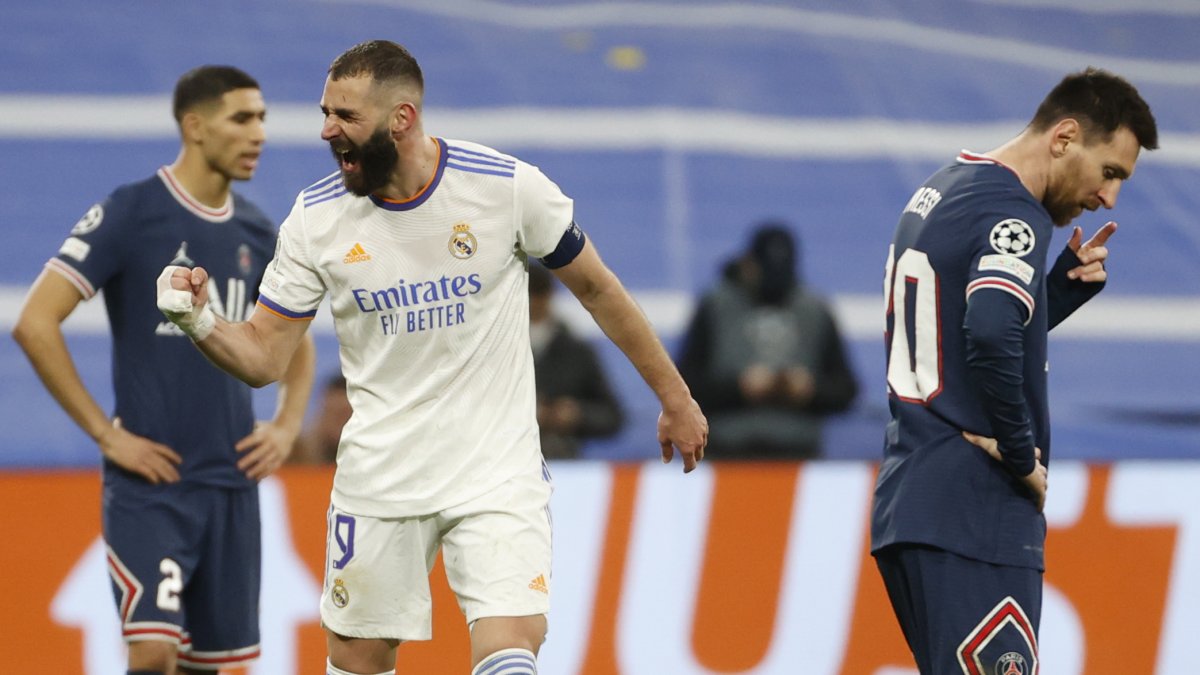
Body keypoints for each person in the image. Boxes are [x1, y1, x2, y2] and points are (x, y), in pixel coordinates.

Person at [154, 40, 707, 675]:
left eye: (346, 116)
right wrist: (196, 318)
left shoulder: (504, 187)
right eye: (325, 113)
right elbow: (264, 358)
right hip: (381, 478)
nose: (328, 130)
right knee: (357, 658)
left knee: (511, 646)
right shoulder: (316, 218)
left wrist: (675, 396)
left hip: (495, 470)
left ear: (403, 118)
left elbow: (597, 288)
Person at [12, 66, 316, 674]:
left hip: (230, 487)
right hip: (152, 488)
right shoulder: (132, 211)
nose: (258, 133)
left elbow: (296, 341)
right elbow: (35, 322)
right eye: (242, 118)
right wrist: (106, 434)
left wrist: (286, 425)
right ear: (195, 126)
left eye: (262, 119)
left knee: (218, 668)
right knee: (152, 654)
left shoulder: (258, 229)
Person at [871, 67, 1157, 673]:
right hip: (973, 512)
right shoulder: (1014, 215)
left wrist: (1050, 294)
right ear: (1064, 138)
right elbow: (991, 330)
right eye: (1111, 173)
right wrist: (1021, 454)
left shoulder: (945, 188)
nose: (1109, 198)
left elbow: (959, 327)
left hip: (916, 500)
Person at [676, 222, 858, 459]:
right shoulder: (715, 307)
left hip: (797, 455)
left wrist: (809, 390)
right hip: (727, 454)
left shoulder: (815, 311)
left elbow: (846, 390)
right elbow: (683, 384)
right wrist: (740, 388)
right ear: (748, 264)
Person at [528, 262, 624, 459]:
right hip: (504, 464)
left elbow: (612, 417)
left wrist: (577, 414)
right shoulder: (491, 348)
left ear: (547, 296)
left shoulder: (576, 352)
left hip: (562, 459)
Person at [291, 373, 353, 465]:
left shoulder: (374, 455)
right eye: (335, 415)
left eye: (346, 415)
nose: (341, 425)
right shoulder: (293, 452)